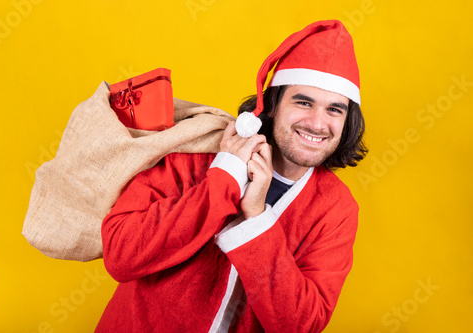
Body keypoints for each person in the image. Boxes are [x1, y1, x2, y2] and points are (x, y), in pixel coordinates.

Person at [95, 19, 367, 333]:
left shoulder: (336, 208)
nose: (318, 123)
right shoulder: (195, 154)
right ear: (273, 105)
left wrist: (256, 218)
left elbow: (300, 325)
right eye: (303, 102)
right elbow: (121, 255)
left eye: (335, 109)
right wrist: (223, 180)